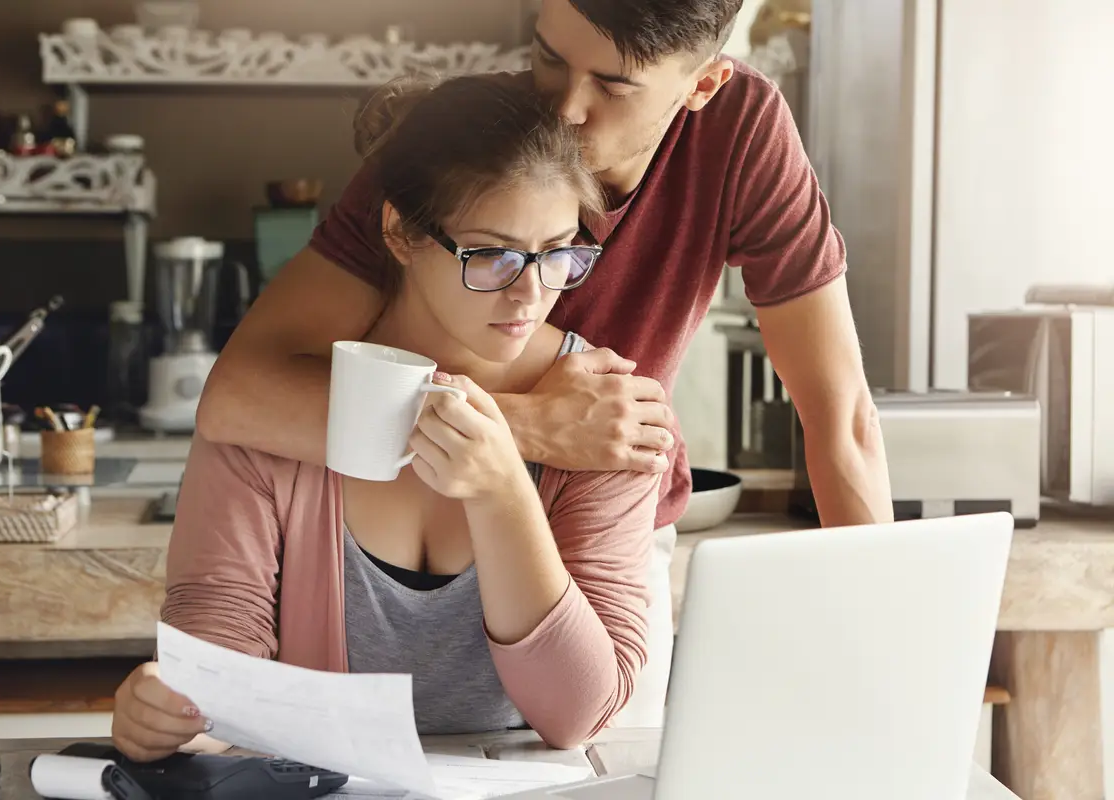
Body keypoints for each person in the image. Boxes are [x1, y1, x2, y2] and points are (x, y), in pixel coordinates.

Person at [196, 0, 894, 726]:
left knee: (595, 745)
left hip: (603, 528)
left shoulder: (741, 132)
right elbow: (239, 398)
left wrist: (878, 650)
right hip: (399, 501)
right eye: (549, 57)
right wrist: (519, 426)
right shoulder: (459, 148)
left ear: (703, 86)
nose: (563, 108)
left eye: (615, 85)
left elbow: (840, 416)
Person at [110, 75, 659, 763]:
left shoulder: (608, 415)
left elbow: (576, 715)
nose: (531, 292)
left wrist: (503, 493)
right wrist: (170, 710)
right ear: (401, 230)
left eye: (558, 253)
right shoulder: (274, 413)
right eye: (491, 256)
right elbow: (219, 657)